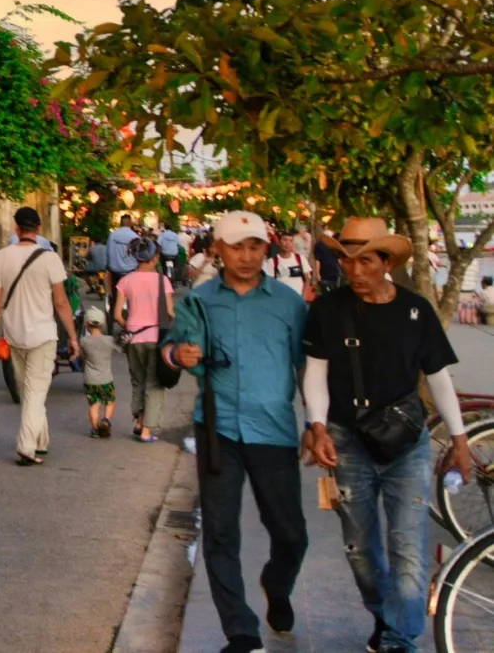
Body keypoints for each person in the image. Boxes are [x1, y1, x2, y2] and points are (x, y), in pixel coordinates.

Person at [300, 219, 473, 653]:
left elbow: (438, 376)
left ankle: (399, 638)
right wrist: (317, 426)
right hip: (346, 440)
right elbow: (315, 373)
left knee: (408, 547)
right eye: (347, 260)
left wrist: (459, 438)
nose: (354, 271)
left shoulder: (416, 310)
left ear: (387, 262)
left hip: (405, 444)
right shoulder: (326, 310)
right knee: (359, 548)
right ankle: (386, 616)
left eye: (365, 262)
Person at [164, 210, 308, 653]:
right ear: (219, 250)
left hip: (274, 431)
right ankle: (241, 632)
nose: (246, 256)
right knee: (222, 532)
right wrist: (178, 356)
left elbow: (309, 368)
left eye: (255, 246)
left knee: (290, 533)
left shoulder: (289, 303)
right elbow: (172, 348)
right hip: (218, 429)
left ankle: (276, 585)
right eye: (236, 247)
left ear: (267, 249)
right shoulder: (200, 301)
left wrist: (320, 424)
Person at [0, 206, 79, 465]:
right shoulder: (50, 259)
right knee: (35, 392)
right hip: (44, 335)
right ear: (38, 229)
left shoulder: (2, 257)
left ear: (16, 228)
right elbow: (61, 302)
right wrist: (72, 336)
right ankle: (27, 446)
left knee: (30, 392)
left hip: (14, 334)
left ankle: (40, 441)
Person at [115, 236, 176, 442]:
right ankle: (148, 430)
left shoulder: (126, 280)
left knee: (137, 380)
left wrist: (130, 327)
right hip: (156, 337)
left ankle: (139, 421)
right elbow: (169, 311)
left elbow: (117, 314)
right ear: (154, 257)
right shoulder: (163, 280)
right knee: (154, 383)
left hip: (133, 337)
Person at [81, 307, 117, 438]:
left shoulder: (84, 341)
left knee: (94, 405)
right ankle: (106, 420)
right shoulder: (109, 340)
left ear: (87, 324)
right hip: (106, 379)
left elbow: (82, 358)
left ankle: (95, 429)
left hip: (90, 380)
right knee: (110, 401)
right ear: (102, 324)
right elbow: (121, 348)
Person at [105, 213, 143, 290]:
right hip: (131, 269)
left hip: (115, 270)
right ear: (130, 223)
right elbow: (138, 255)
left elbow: (108, 253)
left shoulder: (113, 235)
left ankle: (113, 298)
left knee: (114, 291)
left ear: (120, 223)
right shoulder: (135, 237)